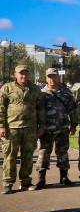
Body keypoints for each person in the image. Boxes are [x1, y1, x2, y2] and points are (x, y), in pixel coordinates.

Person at [0, 65, 44, 194]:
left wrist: (41, 125)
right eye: (21, 74)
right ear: (15, 75)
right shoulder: (7, 88)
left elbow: (40, 109)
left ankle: (25, 182)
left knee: (28, 157)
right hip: (11, 128)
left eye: (26, 73)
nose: (23, 76)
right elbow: (1, 108)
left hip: (30, 128)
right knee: (10, 157)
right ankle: (8, 184)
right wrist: (1, 126)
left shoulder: (35, 89)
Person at [34, 68, 78, 189]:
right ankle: (41, 179)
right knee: (43, 153)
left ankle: (64, 177)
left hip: (62, 129)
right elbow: (36, 112)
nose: (52, 79)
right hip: (46, 130)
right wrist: (37, 127)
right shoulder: (41, 93)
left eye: (54, 76)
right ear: (46, 78)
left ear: (58, 77)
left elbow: (72, 110)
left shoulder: (66, 93)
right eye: (49, 76)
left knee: (63, 153)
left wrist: (74, 125)